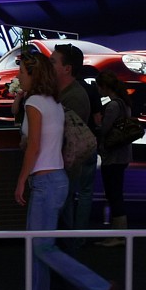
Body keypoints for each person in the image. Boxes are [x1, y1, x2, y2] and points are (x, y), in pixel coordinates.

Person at [11, 52, 114, 290]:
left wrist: (21, 180)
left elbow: (34, 146)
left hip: (45, 183)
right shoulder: (53, 102)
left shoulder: (35, 102)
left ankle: (99, 288)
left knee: (41, 248)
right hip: (56, 181)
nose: (18, 76)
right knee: (38, 247)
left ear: (33, 74)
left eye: (21, 72)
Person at [52, 43, 96, 247]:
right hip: (59, 167)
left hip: (65, 168)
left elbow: (68, 139)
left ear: (67, 68)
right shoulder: (61, 92)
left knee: (63, 219)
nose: (49, 66)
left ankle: (69, 254)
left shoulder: (75, 97)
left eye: (53, 62)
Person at [95, 70, 134, 247]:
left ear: (104, 86)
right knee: (116, 193)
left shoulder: (112, 106)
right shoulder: (125, 104)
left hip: (113, 156)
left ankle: (118, 236)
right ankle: (119, 234)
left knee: (113, 195)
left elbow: (105, 130)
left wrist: (98, 124)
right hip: (124, 154)